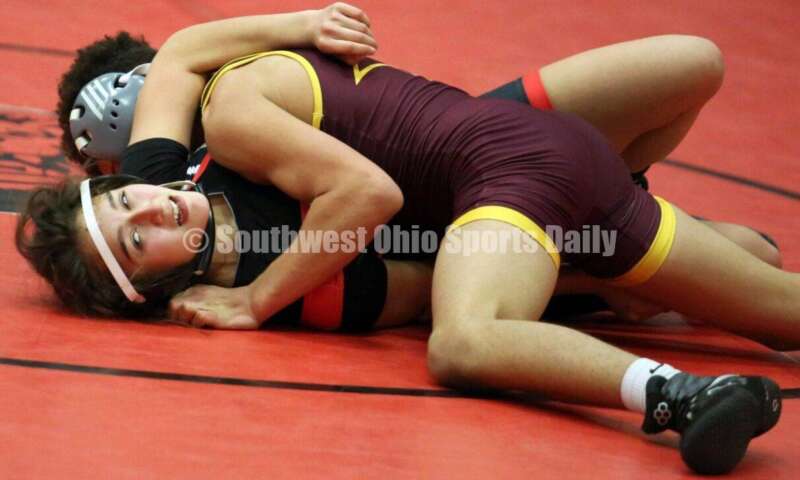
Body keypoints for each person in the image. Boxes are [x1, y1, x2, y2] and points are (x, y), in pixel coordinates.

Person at [18, 5, 794, 474]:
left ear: (124, 175)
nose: (156, 210)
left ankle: (674, 392)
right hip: (530, 172)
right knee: (761, 283)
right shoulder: (299, 265)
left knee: (465, 340)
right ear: (151, 288)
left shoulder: (226, 124)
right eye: (137, 243)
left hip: (506, 177)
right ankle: (633, 239)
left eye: (131, 199)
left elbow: (370, 195)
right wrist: (604, 277)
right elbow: (417, 272)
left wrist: (255, 300)